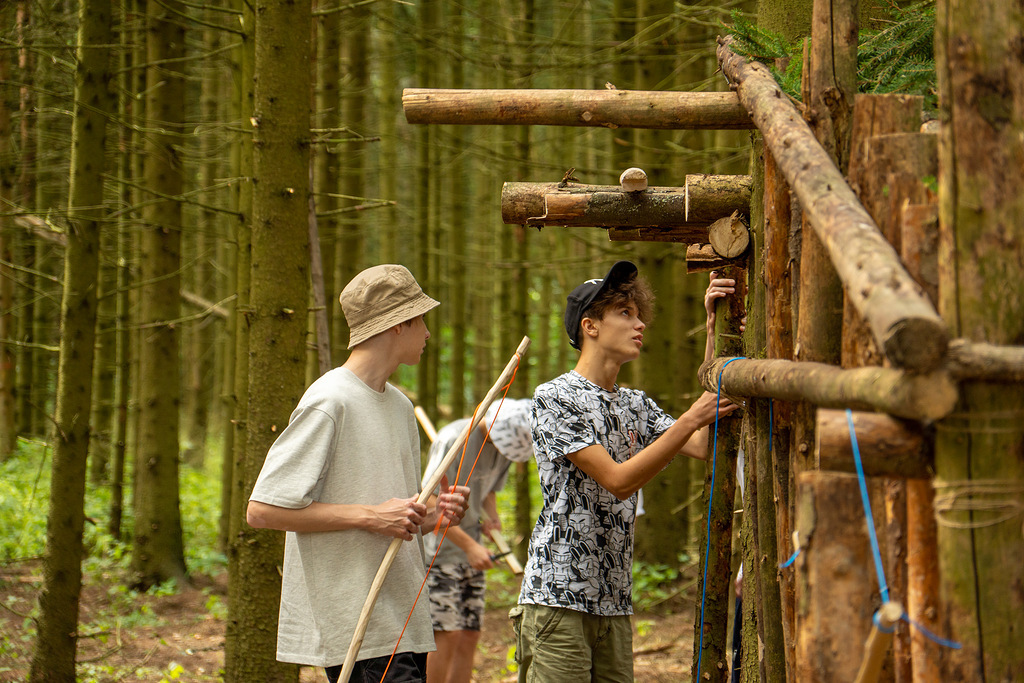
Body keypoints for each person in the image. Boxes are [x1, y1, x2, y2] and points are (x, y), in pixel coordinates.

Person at [510, 261, 740, 682]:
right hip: (558, 598)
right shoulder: (555, 397)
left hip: (614, 603)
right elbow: (618, 481)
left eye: (639, 314)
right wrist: (691, 417)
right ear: (590, 326)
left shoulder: (636, 403)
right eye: (625, 313)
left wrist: (713, 330)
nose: (640, 325)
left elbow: (703, 443)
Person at [246, 264, 470, 683]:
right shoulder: (330, 400)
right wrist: (371, 516)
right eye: (421, 320)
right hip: (358, 626)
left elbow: (397, 519)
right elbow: (262, 510)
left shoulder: (400, 406)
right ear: (398, 323)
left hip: (404, 619)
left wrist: (435, 515)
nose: (427, 333)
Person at [421, 398, 533, 683]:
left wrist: (492, 519)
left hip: (471, 549)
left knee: (469, 634)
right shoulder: (454, 440)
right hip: (440, 554)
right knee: (445, 633)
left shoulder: (506, 448)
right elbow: (430, 500)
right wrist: (469, 546)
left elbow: (488, 490)